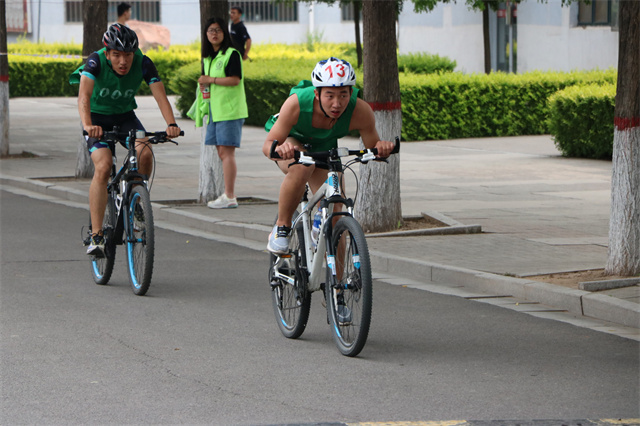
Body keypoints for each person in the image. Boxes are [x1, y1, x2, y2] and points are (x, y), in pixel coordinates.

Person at [262, 57, 395, 254]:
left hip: (324, 148)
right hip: (291, 142)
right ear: (317, 93)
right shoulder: (296, 104)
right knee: (302, 166)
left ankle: (340, 284)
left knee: (336, 214)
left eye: (343, 95)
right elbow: (268, 145)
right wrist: (281, 150)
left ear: (351, 93)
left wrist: (381, 147)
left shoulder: (360, 111)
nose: (337, 103)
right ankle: (282, 228)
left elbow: (372, 146)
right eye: (329, 95)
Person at [70, 24, 182, 255]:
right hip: (97, 120)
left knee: (145, 152)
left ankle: (135, 199)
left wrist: (171, 124)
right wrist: (88, 125)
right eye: (117, 55)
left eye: (128, 55)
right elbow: (84, 96)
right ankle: (97, 235)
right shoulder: (95, 61)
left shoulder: (143, 63)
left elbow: (160, 95)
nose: (123, 61)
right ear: (108, 53)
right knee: (102, 166)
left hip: (124, 116)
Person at [190, 17, 248, 209]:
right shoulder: (208, 58)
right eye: (210, 31)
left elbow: (235, 80)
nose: (214, 34)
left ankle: (230, 195)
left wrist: (211, 79)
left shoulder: (232, 54)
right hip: (216, 110)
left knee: (227, 153)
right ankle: (227, 194)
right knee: (222, 152)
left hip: (230, 110)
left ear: (224, 33)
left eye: (218, 30)